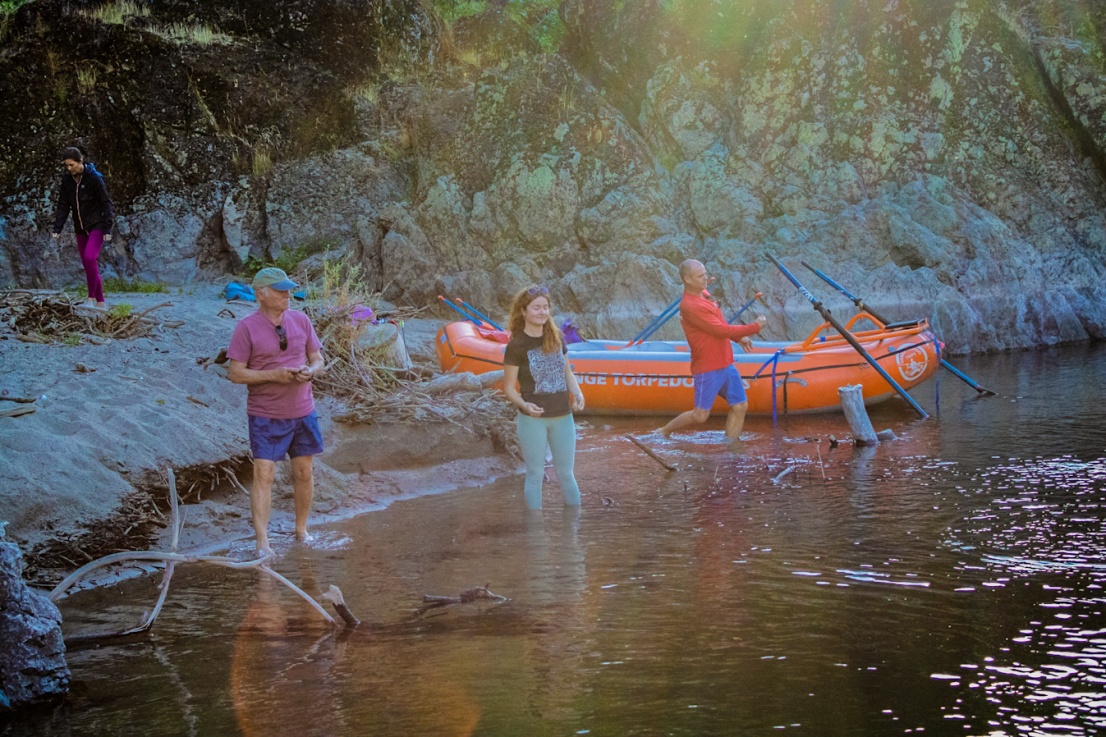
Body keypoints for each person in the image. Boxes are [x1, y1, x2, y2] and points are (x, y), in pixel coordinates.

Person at [227, 268, 325, 555]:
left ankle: (302, 530)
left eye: (288, 290)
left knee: (304, 472)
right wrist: (275, 375)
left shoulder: (301, 319)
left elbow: (318, 359)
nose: (287, 295)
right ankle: (263, 542)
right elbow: (235, 374)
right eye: (280, 290)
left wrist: (310, 371)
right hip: (265, 413)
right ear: (260, 294)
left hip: (303, 410)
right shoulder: (246, 327)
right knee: (264, 474)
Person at [658, 259, 767, 442]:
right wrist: (754, 327)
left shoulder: (704, 294)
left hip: (726, 362)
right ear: (688, 279)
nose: (705, 278)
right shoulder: (690, 306)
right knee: (700, 415)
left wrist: (738, 338)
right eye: (700, 276)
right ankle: (664, 431)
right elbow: (720, 330)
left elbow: (719, 323)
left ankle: (731, 448)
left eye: (705, 274)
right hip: (707, 366)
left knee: (740, 406)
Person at [502, 285, 585, 510]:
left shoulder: (557, 337)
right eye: (536, 308)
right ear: (524, 311)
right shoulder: (516, 345)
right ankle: (535, 533)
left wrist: (577, 393)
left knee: (566, 474)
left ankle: (574, 532)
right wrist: (524, 405)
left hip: (562, 416)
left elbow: (567, 372)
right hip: (532, 419)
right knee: (535, 474)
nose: (542, 312)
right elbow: (509, 388)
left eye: (545, 307)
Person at [52, 146, 115, 308]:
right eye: (66, 165)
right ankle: (101, 303)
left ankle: (91, 298)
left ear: (81, 162)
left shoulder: (95, 178)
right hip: (80, 227)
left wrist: (107, 228)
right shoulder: (67, 181)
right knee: (88, 264)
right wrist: (57, 228)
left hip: (97, 226)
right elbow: (63, 205)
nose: (68, 168)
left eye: (71, 165)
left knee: (89, 258)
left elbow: (106, 203)